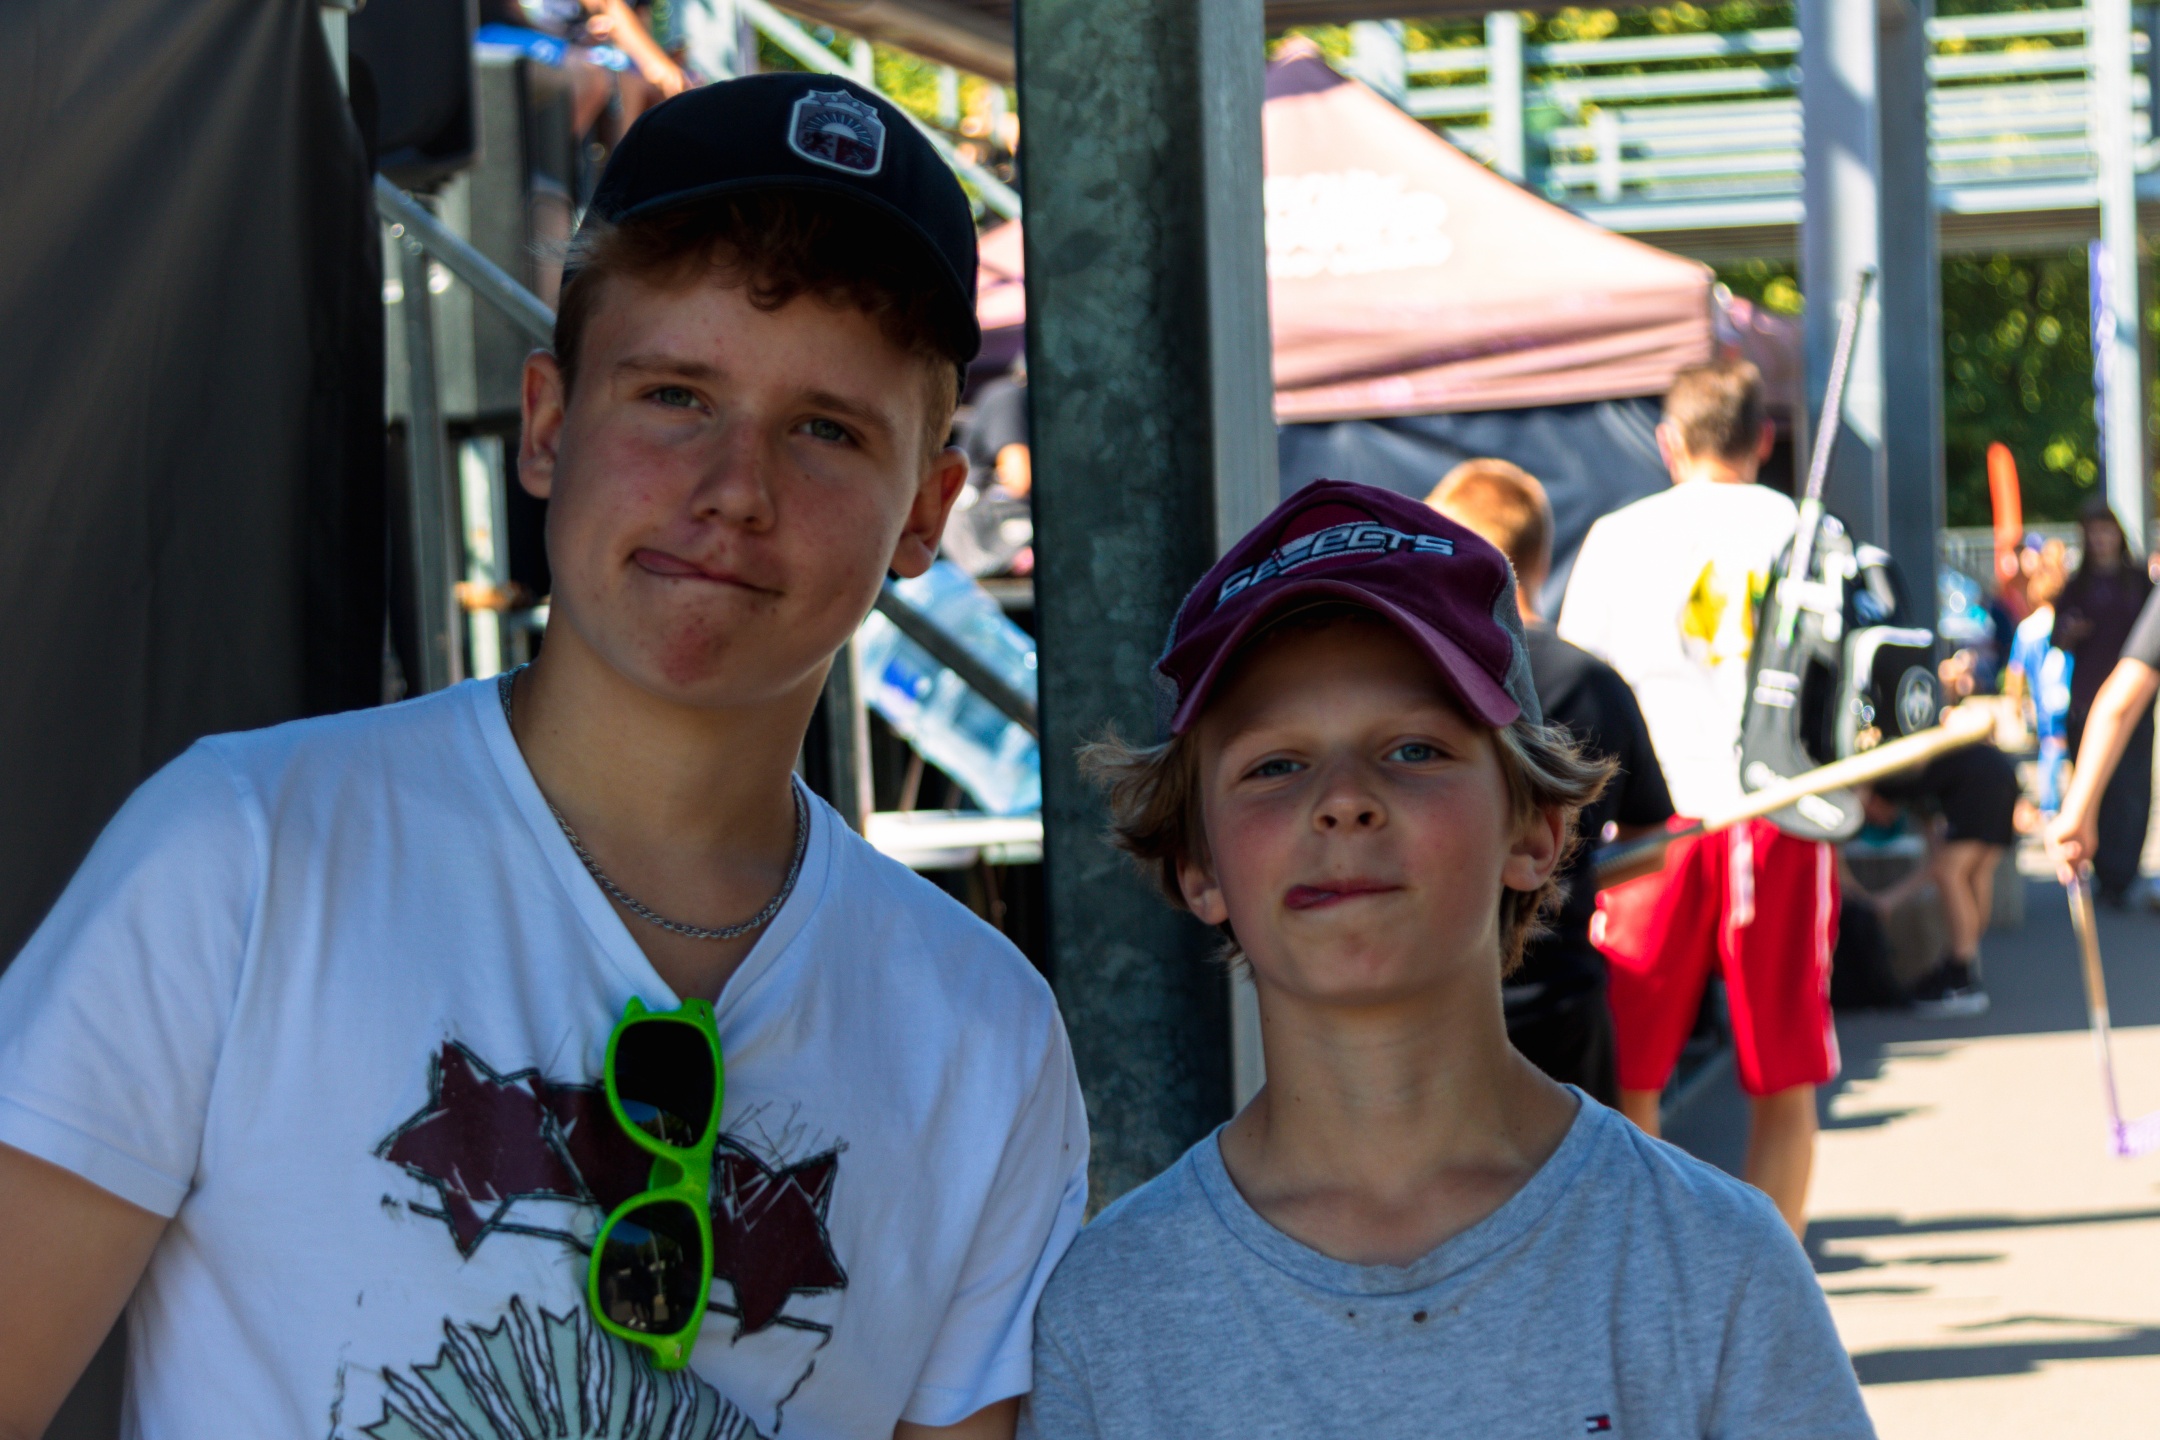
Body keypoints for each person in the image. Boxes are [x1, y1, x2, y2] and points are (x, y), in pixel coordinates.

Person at [0, 76, 1086, 1440]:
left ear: (926, 510)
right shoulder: (246, 855)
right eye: (676, 395)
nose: (734, 490)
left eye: (826, 430)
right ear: (550, 424)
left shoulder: (984, 1040)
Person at [1021, 479, 1873, 1440]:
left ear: (1538, 830)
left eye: (1415, 750)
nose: (1343, 800)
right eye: (1275, 765)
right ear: (1198, 864)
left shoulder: (1715, 1268)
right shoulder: (1106, 1316)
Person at [1557, 357, 1836, 1238]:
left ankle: (1643, 1272)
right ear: (1764, 437)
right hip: (1780, 810)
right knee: (1782, 1078)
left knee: (1631, 1075)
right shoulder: (1808, 528)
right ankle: (1778, 1278)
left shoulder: (1616, 536)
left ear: (1669, 442)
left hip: (1654, 823)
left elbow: (1578, 682)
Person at [1429, 458, 1675, 1106]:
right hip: (1561, 993)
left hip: (1437, 998)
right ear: (1540, 558)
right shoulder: (1592, 680)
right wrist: (1573, 873)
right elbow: (1653, 840)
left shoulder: (1423, 680)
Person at [2052, 499, 2155, 904]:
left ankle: (2121, 874)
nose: (2100, 539)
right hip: (2089, 700)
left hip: (2133, 702)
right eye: (2092, 532)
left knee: (2130, 791)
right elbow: (2056, 638)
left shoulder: (2139, 583)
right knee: (2098, 787)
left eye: (2106, 531)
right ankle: (2104, 871)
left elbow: (2124, 700)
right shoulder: (2076, 585)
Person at [1871, 744, 2021, 1015]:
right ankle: (1964, 965)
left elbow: (1938, 868)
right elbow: (1935, 860)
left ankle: (1960, 974)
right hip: (1999, 773)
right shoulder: (1918, 795)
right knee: (1973, 873)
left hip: (1980, 780)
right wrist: (1891, 899)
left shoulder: (1901, 788)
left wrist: (1890, 899)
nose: (1881, 822)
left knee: (1952, 874)